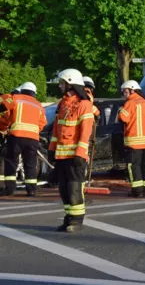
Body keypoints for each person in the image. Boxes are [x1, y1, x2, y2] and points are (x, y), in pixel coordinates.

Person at [48, 69, 94, 232]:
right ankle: (68, 218)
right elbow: (56, 129)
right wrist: (52, 149)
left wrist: (80, 154)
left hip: (75, 156)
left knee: (74, 189)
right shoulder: (62, 104)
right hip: (62, 156)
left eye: (62, 83)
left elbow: (85, 130)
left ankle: (76, 221)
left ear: (70, 83)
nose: (60, 86)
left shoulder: (84, 104)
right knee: (64, 189)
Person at [0, 82, 47, 197]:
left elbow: (3, 107)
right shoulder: (38, 105)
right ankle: (31, 190)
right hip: (33, 138)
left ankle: (9, 189)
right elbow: (43, 123)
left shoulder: (15, 98)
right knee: (30, 163)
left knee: (11, 161)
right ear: (34, 93)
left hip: (16, 136)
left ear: (22, 90)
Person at [118, 80, 145, 198]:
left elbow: (123, 118)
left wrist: (120, 110)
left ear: (132, 90)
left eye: (125, 91)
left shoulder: (130, 103)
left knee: (134, 166)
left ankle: (137, 190)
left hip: (134, 142)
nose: (124, 94)